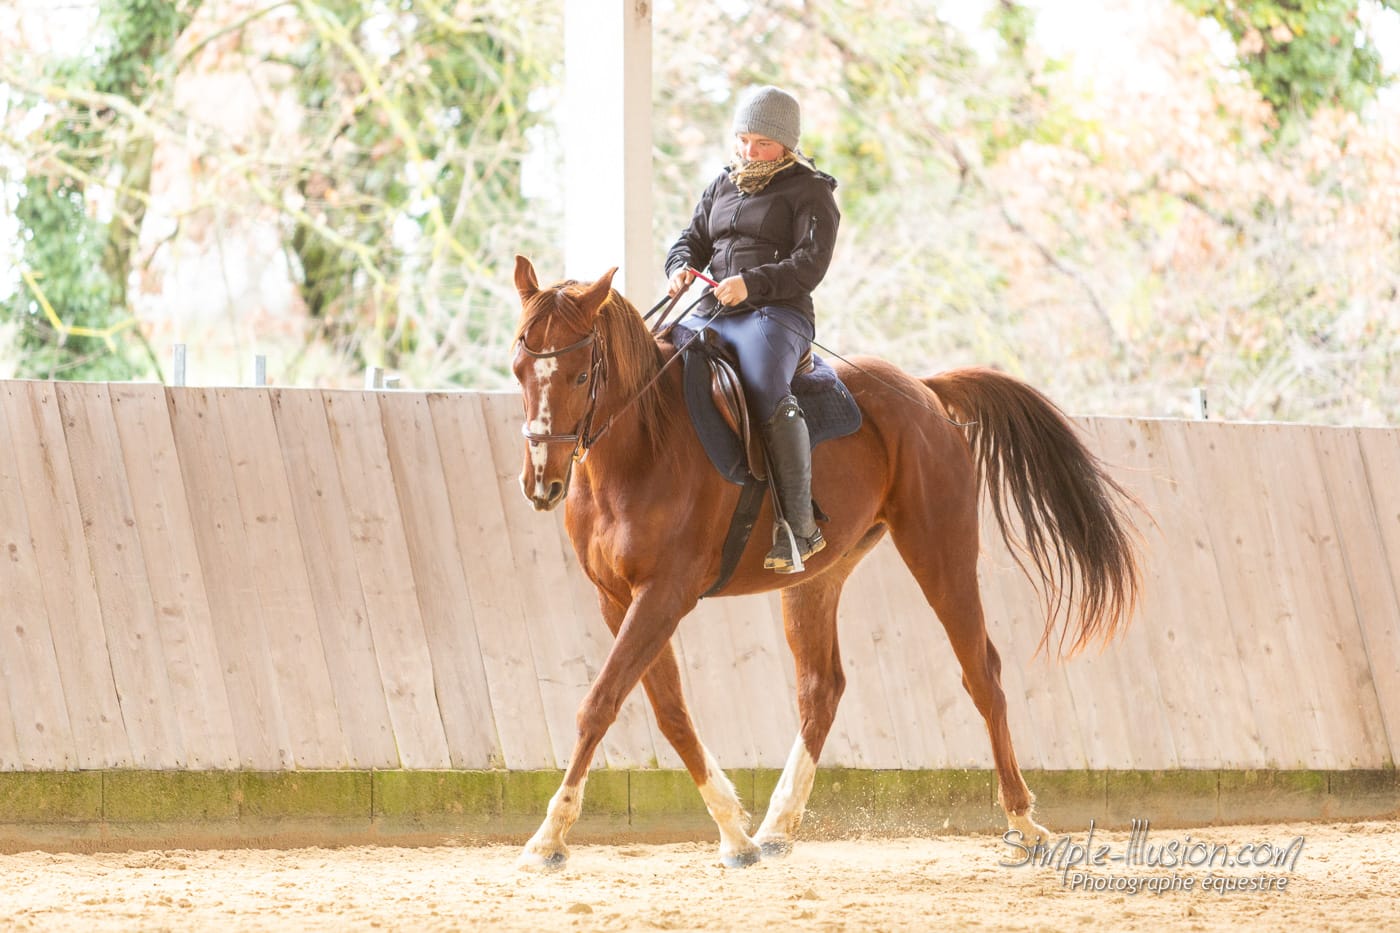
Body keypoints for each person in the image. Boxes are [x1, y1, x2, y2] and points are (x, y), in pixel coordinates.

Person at [665, 85, 841, 574]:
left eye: (761, 143)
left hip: (777, 313)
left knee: (765, 384)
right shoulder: (722, 183)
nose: (748, 151)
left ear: (786, 144)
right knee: (660, 360)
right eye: (743, 140)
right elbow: (692, 239)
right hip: (715, 307)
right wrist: (679, 266)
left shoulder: (811, 190)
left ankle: (800, 527)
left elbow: (810, 263)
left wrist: (751, 284)